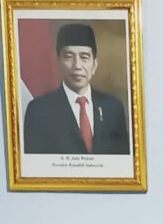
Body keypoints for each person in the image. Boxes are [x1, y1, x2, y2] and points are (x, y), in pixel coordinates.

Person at [22, 23, 130, 155]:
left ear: (94, 65)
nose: (77, 65)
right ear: (58, 62)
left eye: (84, 57)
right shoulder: (39, 111)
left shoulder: (113, 108)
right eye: (69, 57)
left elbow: (122, 160)